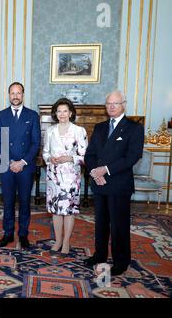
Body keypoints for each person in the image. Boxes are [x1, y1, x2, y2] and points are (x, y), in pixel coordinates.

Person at [84, 90, 144, 276]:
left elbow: (133, 156)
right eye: (108, 103)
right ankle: (100, 255)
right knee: (100, 223)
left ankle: (121, 261)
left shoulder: (134, 128)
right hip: (99, 183)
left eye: (115, 104)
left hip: (119, 185)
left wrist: (106, 170)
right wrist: (95, 172)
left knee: (119, 225)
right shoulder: (100, 127)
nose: (111, 107)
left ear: (123, 105)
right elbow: (90, 154)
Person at [0, 82, 41, 249]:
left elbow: (36, 143)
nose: (15, 96)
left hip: (25, 167)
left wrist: (22, 162)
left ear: (23, 95)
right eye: (12, 93)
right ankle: (7, 233)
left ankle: (23, 234)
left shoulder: (32, 115)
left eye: (18, 93)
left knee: (24, 201)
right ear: (8, 95)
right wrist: (10, 162)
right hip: (6, 166)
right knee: (7, 201)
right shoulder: (1, 116)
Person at [42, 98, 87, 254]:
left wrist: (68, 158)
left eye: (65, 111)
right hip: (53, 177)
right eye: (59, 111)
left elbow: (84, 156)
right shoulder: (50, 131)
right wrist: (50, 159)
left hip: (71, 177)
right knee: (56, 210)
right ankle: (58, 241)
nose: (62, 114)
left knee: (68, 210)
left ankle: (66, 241)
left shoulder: (79, 131)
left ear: (71, 113)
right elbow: (45, 152)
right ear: (55, 113)